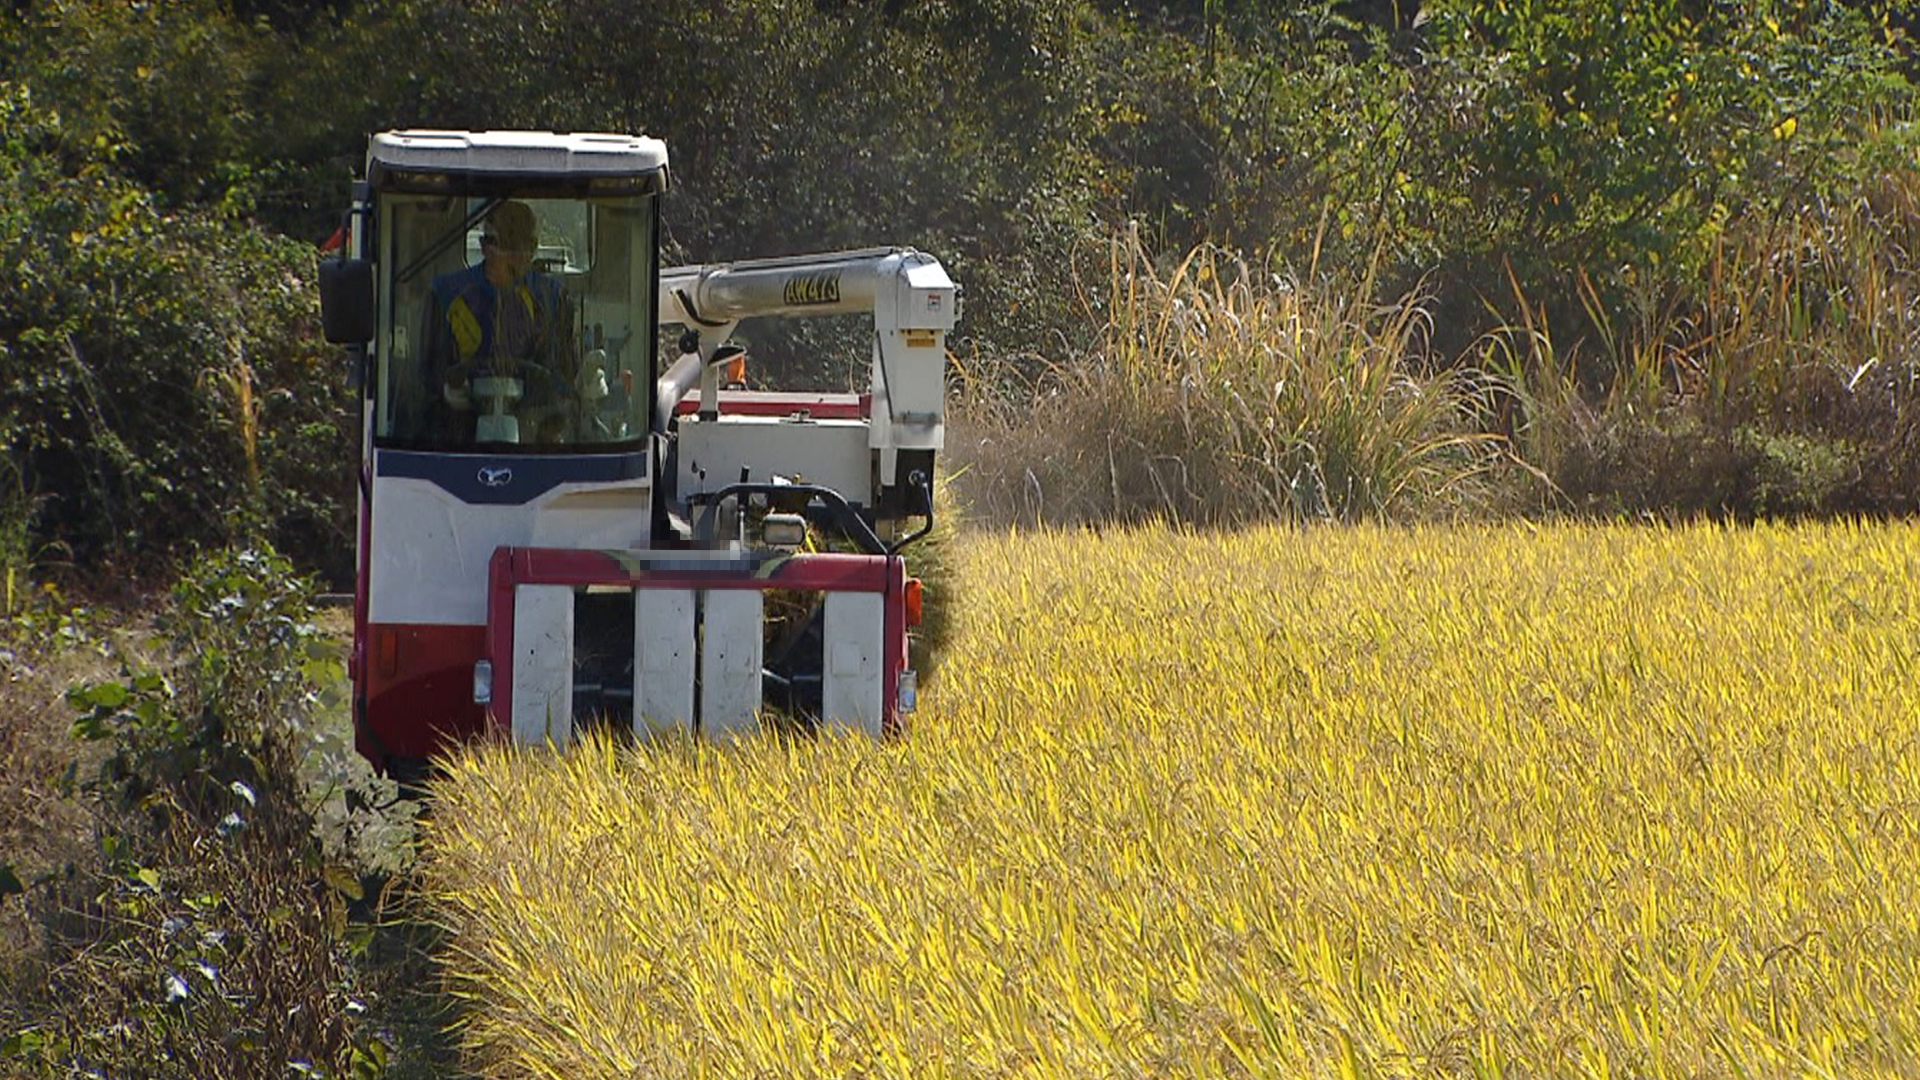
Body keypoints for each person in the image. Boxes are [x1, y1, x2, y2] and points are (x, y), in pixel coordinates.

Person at [425, 200, 576, 442]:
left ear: (533, 248)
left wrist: (547, 396)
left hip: (535, 434)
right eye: (502, 244)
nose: (512, 256)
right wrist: (450, 388)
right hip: (458, 434)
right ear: (484, 246)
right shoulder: (448, 294)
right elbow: (430, 376)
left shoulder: (553, 299)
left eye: (520, 245)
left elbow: (565, 376)